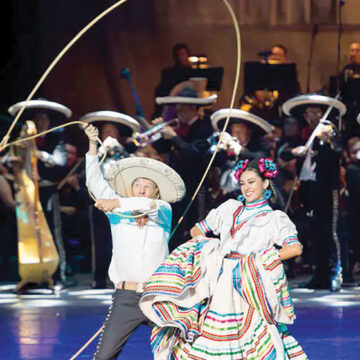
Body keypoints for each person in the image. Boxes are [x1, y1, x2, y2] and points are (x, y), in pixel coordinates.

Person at [140, 158, 307, 359]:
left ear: (265, 183)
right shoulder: (229, 208)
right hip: (220, 281)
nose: (246, 188)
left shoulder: (275, 218)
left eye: (252, 182)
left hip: (249, 283)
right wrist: (213, 247)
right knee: (212, 335)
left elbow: (295, 248)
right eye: (243, 183)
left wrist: (259, 260)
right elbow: (196, 231)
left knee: (253, 335)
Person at [84, 124, 185, 360]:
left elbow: (147, 206)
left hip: (159, 295)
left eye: (147, 187)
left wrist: (116, 203)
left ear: (155, 192)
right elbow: (94, 183)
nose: (141, 189)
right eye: (137, 185)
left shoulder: (161, 210)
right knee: (103, 356)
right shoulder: (118, 213)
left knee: (180, 354)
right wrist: (91, 147)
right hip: (126, 298)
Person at [281, 94, 346, 290]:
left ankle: (336, 271)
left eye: (316, 113)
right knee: (315, 233)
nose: (312, 117)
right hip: (309, 190)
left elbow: (337, 153)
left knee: (330, 231)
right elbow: (284, 153)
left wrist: (326, 141)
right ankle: (319, 274)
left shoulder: (328, 133)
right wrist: (296, 152)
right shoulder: (303, 136)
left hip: (327, 189)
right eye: (309, 113)